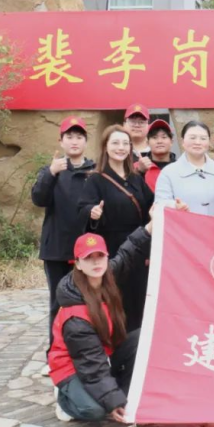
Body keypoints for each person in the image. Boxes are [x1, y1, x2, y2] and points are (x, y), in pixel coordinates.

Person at [48, 223, 150, 423]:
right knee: (95, 410)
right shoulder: (75, 314)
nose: (96, 262)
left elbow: (128, 252)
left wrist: (150, 226)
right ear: (78, 264)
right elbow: (91, 364)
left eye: (100, 256)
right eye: (88, 258)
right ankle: (65, 398)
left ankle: (116, 392)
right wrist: (112, 402)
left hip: (102, 354)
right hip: (73, 365)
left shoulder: (105, 276)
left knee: (141, 338)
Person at [31, 116, 96, 361]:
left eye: (79, 137)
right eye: (69, 136)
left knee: (89, 303)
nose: (74, 141)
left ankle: (87, 354)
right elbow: (38, 199)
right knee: (58, 303)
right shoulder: (51, 170)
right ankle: (56, 355)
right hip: (57, 249)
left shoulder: (94, 171)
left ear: (86, 142)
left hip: (88, 250)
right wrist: (50, 173)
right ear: (61, 141)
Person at [78, 125, 154, 332]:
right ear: (105, 147)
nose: (121, 147)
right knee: (117, 298)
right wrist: (92, 212)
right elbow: (83, 208)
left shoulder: (136, 178)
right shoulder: (96, 179)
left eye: (125, 143)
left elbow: (151, 206)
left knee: (139, 297)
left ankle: (137, 344)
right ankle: (117, 342)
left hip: (139, 247)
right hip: (113, 248)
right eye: (115, 143)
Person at [156, 121, 214, 218]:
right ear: (182, 141)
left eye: (203, 138)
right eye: (192, 138)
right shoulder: (168, 172)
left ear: (209, 142)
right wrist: (174, 206)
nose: (198, 142)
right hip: (182, 227)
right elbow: (160, 204)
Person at [135, 119, 175, 192]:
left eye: (164, 137)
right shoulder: (136, 167)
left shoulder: (179, 168)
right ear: (147, 143)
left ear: (171, 142)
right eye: (154, 137)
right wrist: (140, 172)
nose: (159, 141)